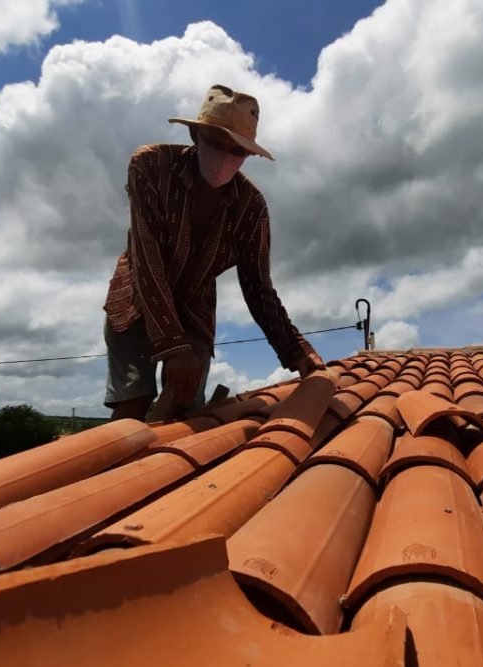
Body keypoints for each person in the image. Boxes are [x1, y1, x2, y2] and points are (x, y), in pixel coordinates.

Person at [103, 84, 324, 421]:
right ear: (195, 134)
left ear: (248, 155)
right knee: (133, 402)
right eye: (217, 143)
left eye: (236, 151)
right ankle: (113, 468)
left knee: (183, 411)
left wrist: (297, 350)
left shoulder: (251, 208)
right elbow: (147, 259)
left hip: (194, 309)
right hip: (137, 300)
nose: (225, 157)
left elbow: (258, 287)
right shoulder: (151, 166)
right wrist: (173, 346)